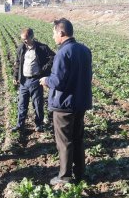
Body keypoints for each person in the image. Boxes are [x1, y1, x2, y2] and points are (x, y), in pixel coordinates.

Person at [40, 18, 92, 185]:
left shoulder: (63, 53)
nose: (53, 37)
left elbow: (58, 81)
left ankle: (64, 176)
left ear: (61, 33)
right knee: (78, 139)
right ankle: (80, 172)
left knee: (64, 142)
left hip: (64, 105)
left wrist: (46, 80)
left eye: (54, 33)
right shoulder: (85, 50)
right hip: (80, 102)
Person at [12, 28, 55, 132]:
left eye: (26, 39)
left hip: (36, 80)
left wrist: (43, 70)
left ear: (32, 37)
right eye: (22, 39)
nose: (24, 41)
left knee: (37, 103)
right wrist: (15, 76)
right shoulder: (21, 48)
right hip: (24, 81)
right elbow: (17, 63)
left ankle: (39, 124)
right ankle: (20, 125)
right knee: (22, 104)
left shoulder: (41, 48)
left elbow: (53, 57)